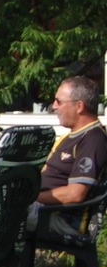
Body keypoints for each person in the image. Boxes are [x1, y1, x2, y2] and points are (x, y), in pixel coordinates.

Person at [29, 76, 107, 239]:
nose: (54, 107)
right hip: (44, 209)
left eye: (59, 101)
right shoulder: (70, 137)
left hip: (62, 219)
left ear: (79, 106)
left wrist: (29, 197)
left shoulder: (94, 140)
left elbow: (75, 194)